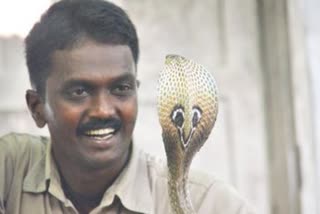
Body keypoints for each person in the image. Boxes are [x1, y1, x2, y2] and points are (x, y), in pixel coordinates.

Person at [0, 0, 255, 213]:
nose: (103, 110)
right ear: (37, 107)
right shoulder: (13, 169)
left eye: (121, 88)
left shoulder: (203, 203)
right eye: (79, 91)